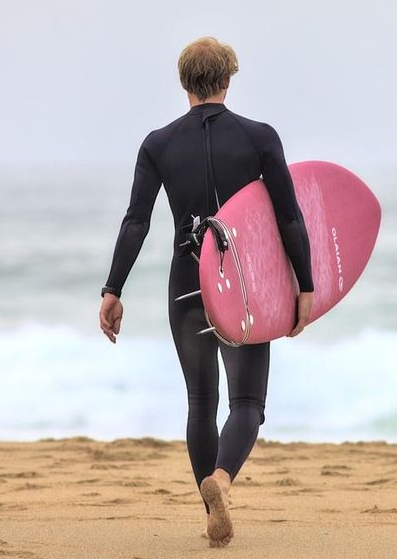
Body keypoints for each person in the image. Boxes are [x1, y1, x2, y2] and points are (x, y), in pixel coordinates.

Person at [98, 37, 314, 548]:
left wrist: (113, 288)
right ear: (229, 78)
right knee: (247, 402)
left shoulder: (159, 144)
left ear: (183, 82)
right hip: (243, 287)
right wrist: (305, 284)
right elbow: (288, 216)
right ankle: (222, 480)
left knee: (200, 401)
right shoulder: (260, 137)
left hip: (187, 285)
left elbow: (137, 222)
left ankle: (210, 515)